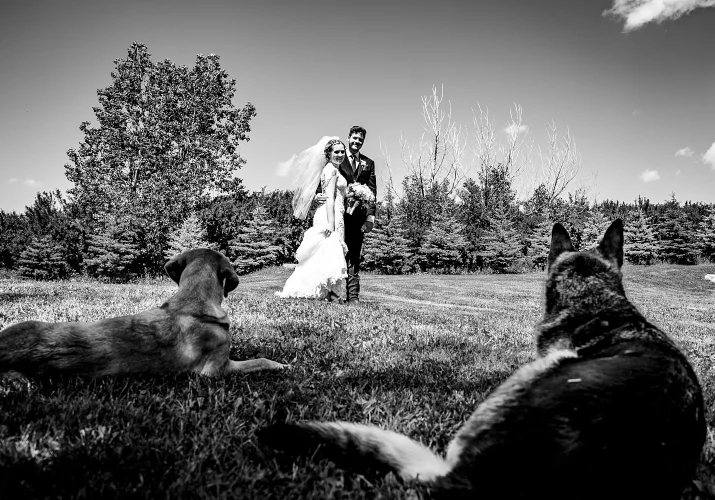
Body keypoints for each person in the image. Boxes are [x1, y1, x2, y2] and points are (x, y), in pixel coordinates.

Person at [275, 137, 348, 301]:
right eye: (336, 152)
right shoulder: (331, 170)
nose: (340, 154)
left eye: (342, 151)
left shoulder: (332, 169)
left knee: (323, 255)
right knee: (328, 254)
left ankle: (325, 294)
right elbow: (329, 198)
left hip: (335, 212)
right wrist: (331, 223)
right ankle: (328, 295)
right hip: (331, 214)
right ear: (328, 154)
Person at [316, 126, 376, 303]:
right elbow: (324, 181)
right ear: (349, 137)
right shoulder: (338, 157)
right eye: (355, 138)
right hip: (337, 214)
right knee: (335, 252)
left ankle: (353, 297)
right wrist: (317, 195)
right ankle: (333, 294)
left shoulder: (369, 163)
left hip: (357, 217)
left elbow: (372, 191)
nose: (357, 142)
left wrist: (370, 218)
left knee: (354, 256)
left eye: (360, 140)